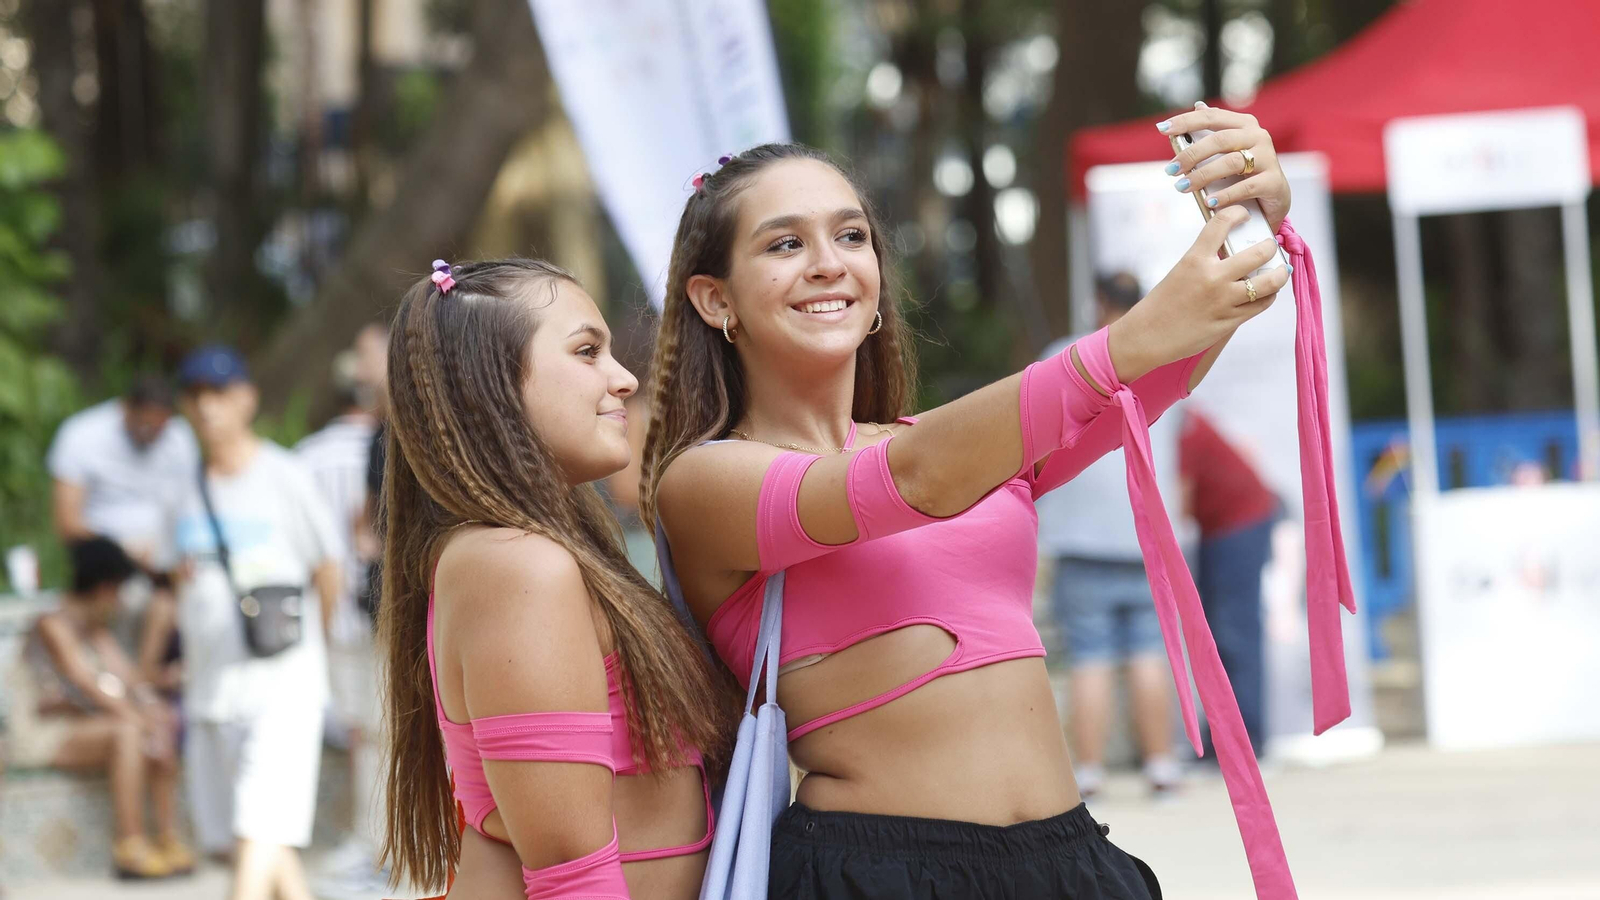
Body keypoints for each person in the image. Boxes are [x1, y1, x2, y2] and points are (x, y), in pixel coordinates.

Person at [643, 104, 1299, 899]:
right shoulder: (705, 479)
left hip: (1073, 864)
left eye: (851, 236)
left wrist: (1245, 217)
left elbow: (1156, 371)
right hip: (875, 875)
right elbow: (910, 483)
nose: (827, 263)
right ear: (716, 301)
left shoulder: (953, 445)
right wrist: (1123, 340)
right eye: (785, 244)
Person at [376, 259, 733, 900]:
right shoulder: (519, 564)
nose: (624, 380)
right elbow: (572, 874)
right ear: (491, 385)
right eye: (587, 351)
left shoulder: (530, 551)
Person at [164, 345, 341, 900]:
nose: (206, 408)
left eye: (217, 394)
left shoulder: (284, 475)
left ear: (246, 399)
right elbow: (176, 582)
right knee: (264, 841)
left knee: (256, 832)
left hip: (283, 688)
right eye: (195, 396)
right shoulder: (183, 491)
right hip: (213, 692)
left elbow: (328, 570)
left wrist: (309, 646)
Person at [1038, 272, 1191, 800]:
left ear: (1097, 301)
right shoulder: (1165, 354)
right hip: (1145, 535)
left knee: (1090, 656)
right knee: (1150, 651)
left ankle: (1090, 772)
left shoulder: (1066, 354)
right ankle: (1161, 766)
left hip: (1082, 540)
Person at [4, 537, 191, 879]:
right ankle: (130, 846)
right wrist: (142, 720)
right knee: (130, 730)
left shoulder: (95, 631)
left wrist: (152, 709)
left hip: (86, 728)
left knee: (156, 719)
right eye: (119, 591)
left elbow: (131, 681)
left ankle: (168, 838)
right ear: (105, 588)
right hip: (41, 733)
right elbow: (86, 683)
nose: (120, 602)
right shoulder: (53, 625)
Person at [295, 328, 392, 900]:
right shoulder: (382, 434)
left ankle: (383, 849)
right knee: (373, 733)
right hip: (378, 606)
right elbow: (369, 518)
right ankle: (379, 848)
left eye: (365, 352)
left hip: (400, 607)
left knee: (381, 734)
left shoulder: (407, 429)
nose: (356, 364)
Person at [48, 374, 197, 691]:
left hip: (165, 565)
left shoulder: (181, 440)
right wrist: (123, 554)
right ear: (126, 409)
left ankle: (142, 684)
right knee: (120, 607)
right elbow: (66, 521)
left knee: (168, 603)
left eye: (160, 428)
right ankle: (127, 691)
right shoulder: (83, 434)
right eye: (146, 425)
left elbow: (190, 508)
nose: (153, 435)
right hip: (104, 563)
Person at [1179, 409, 1281, 756]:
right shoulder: (1175, 416)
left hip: (1238, 525)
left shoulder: (1178, 427)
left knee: (1233, 634)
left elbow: (1177, 505)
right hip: (1223, 525)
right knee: (1219, 638)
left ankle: (1246, 743)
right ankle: (1227, 740)